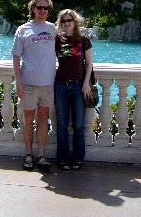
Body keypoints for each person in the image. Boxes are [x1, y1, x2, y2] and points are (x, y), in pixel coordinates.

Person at [12, 0, 56, 171]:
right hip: (28, 84)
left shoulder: (53, 28)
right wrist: (18, 83)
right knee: (28, 119)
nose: (43, 11)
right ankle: (28, 154)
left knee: (43, 120)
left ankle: (41, 155)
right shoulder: (23, 29)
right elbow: (16, 56)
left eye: (46, 8)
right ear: (33, 9)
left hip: (48, 84)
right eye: (40, 7)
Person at [54, 9, 93, 171]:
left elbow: (89, 64)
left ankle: (78, 158)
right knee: (62, 124)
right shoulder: (57, 39)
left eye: (69, 20)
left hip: (78, 86)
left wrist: (86, 84)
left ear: (75, 21)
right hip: (61, 85)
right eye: (63, 21)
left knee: (78, 125)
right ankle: (63, 158)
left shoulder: (83, 40)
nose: (66, 23)